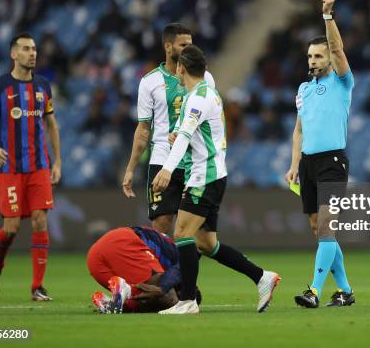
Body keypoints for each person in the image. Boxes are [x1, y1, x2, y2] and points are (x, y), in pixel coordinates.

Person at [152, 45, 280, 314]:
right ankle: (261, 277)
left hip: (204, 176)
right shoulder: (202, 93)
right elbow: (189, 133)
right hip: (211, 174)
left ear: (181, 68)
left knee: (182, 234)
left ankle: (187, 301)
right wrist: (178, 135)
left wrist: (166, 169)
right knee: (206, 243)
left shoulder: (198, 97)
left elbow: (187, 135)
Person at [284, 0, 355, 308]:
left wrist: (328, 15)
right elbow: (299, 130)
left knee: (327, 226)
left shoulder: (343, 82)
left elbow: (338, 47)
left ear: (329, 59)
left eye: (318, 56)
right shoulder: (303, 89)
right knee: (319, 229)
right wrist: (294, 163)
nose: (313, 60)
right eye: (310, 56)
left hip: (333, 162)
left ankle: (313, 289)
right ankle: (345, 291)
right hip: (309, 164)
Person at [0, 32, 62, 301]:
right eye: (26, 49)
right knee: (11, 228)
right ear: (13, 54)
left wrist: (57, 161)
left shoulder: (43, 87)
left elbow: (51, 125)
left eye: (34, 49)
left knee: (40, 220)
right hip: (11, 168)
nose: (32, 53)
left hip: (39, 166)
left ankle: (37, 286)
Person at [122, 23, 215, 234]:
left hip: (195, 162)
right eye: (183, 45)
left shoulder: (206, 79)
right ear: (168, 46)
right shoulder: (149, 82)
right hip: (162, 160)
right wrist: (130, 168)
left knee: (200, 234)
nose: (189, 49)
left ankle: (182, 267)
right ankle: (167, 268)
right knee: (161, 224)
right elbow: (144, 129)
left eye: (191, 45)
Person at [87, 225, 200, 314]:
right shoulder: (183, 256)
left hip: (94, 259)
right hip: (123, 241)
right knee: (169, 300)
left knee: (144, 296)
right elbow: (180, 270)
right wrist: (163, 289)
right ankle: (128, 291)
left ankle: (115, 302)